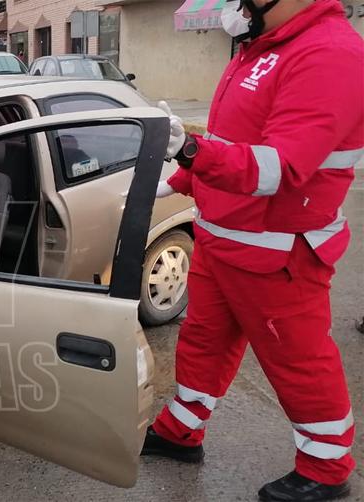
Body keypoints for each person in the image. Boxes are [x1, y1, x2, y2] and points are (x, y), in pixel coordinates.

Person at [145, 1, 363, 500]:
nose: (238, 7)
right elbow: (233, 141)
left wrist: (190, 152)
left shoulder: (328, 53)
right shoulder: (260, 49)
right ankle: (180, 431)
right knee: (202, 344)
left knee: (298, 361)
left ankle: (326, 467)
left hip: (278, 253)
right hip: (222, 240)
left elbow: (277, 167)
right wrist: (181, 180)